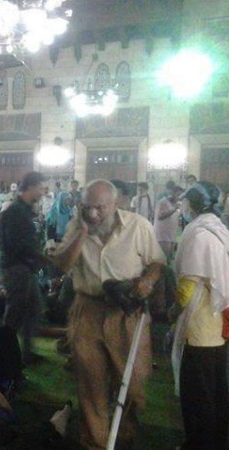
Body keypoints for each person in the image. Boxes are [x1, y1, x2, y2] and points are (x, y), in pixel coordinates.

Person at [53, 179, 166, 449]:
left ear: (116, 204)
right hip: (87, 309)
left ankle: (123, 437)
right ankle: (96, 443)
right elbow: (61, 266)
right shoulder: (77, 225)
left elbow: (157, 262)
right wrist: (82, 232)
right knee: (91, 385)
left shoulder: (138, 226)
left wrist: (148, 281)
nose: (93, 214)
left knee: (133, 384)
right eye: (87, 207)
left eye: (100, 208)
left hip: (127, 312)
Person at [171, 181, 229, 450]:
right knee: (217, 390)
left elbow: (187, 287)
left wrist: (173, 309)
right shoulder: (220, 230)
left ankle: (200, 443)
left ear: (191, 204)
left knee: (197, 395)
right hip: (218, 325)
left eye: (184, 202)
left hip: (199, 327)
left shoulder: (198, 233)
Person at [0, 172, 48, 364]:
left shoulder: (23, 210)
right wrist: (37, 257)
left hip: (25, 267)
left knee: (33, 309)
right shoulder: (15, 211)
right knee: (15, 313)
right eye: (41, 188)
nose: (42, 193)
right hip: (17, 268)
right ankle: (3, 354)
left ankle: (26, 353)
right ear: (31, 187)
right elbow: (13, 244)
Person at [153, 185, 182, 263]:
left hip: (172, 233)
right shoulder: (163, 202)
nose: (179, 197)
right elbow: (160, 216)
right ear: (172, 193)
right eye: (178, 194)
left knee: (169, 258)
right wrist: (174, 209)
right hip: (163, 234)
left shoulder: (177, 204)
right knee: (163, 258)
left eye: (180, 195)